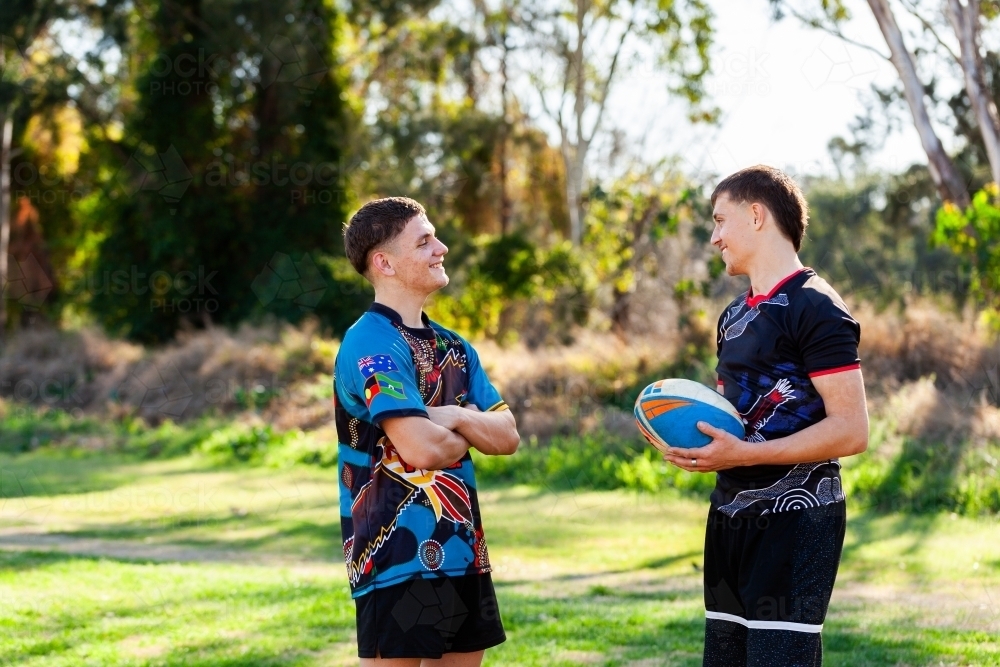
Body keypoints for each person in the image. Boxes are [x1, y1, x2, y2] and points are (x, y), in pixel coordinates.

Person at [659, 166, 869, 666]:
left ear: (756, 215)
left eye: (719, 220)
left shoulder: (816, 307)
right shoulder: (732, 316)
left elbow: (852, 429)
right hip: (730, 514)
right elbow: (735, 419)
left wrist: (747, 453)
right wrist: (692, 436)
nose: (713, 238)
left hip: (797, 520)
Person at [333, 197, 520, 666]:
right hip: (393, 561)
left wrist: (453, 417)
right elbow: (420, 449)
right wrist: (468, 427)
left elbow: (508, 436)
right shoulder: (371, 344)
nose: (442, 248)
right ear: (384, 263)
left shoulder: (456, 348)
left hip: (463, 553)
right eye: (424, 241)